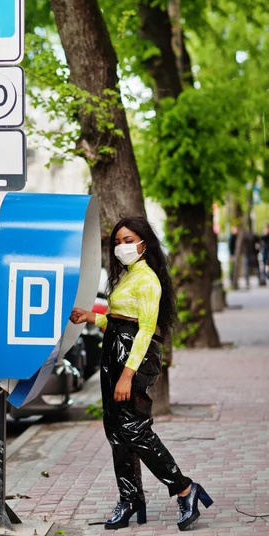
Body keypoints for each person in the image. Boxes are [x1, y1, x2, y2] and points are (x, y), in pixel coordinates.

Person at [70, 217, 213, 531]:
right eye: (118, 241)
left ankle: (186, 489)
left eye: (128, 240)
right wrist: (91, 317)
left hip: (134, 356)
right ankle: (130, 498)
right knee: (116, 429)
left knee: (135, 429)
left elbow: (145, 329)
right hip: (115, 350)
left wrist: (127, 375)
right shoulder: (128, 276)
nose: (122, 246)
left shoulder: (147, 278)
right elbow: (120, 321)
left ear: (144, 243)